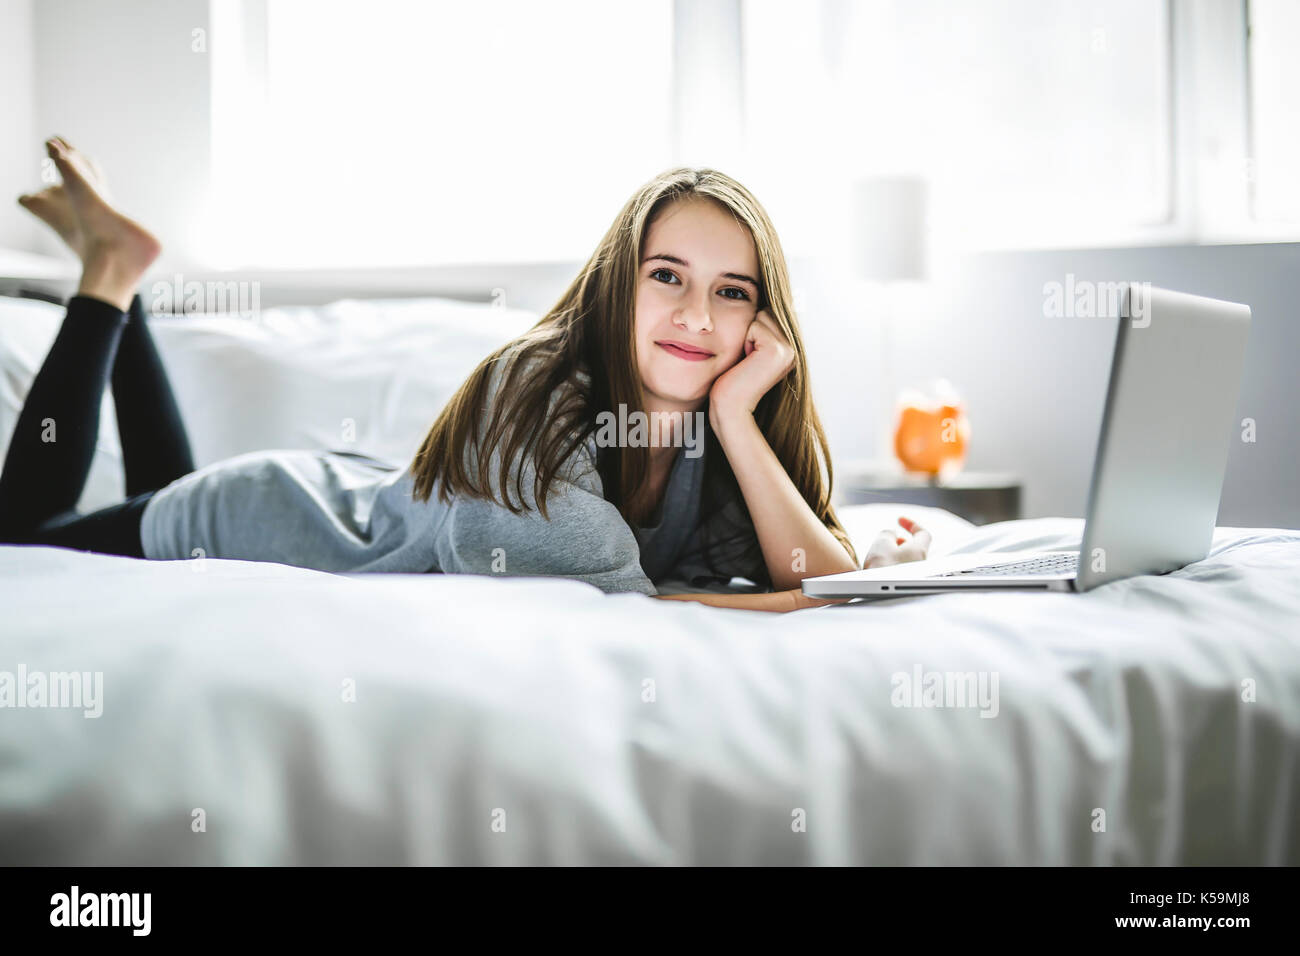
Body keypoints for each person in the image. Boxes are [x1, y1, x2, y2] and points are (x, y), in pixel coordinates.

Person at [2, 137, 930, 612]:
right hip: (267, 517)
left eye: (732, 293)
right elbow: (640, 607)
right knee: (19, 536)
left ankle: (123, 276)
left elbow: (813, 574)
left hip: (344, 496)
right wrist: (812, 597)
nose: (697, 316)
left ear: (760, 323)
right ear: (618, 284)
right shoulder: (532, 394)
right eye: (667, 277)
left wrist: (735, 418)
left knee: (158, 483)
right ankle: (111, 281)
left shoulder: (709, 437)